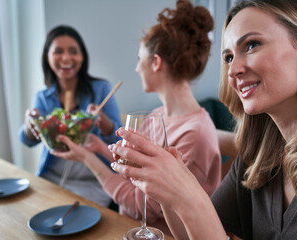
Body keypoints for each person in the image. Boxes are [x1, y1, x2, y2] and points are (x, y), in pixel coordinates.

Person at [109, 0, 297, 239]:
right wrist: (168, 192)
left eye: (251, 45)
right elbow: (194, 234)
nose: (233, 70)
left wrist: (190, 197)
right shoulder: (257, 157)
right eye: (228, 57)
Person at [51, 0, 221, 236]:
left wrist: (89, 159)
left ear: (156, 62)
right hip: (124, 226)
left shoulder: (194, 135)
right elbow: (133, 170)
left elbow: (141, 206)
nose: (136, 68)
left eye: (138, 58)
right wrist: (100, 146)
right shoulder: (156, 115)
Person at [19, 25, 122, 208]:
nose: (66, 58)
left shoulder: (102, 90)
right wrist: (30, 124)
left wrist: (104, 123)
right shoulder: (43, 98)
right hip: (51, 178)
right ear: (47, 57)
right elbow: (27, 140)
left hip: (94, 180)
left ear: (82, 56)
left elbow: (118, 140)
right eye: (58, 51)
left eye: (73, 51)